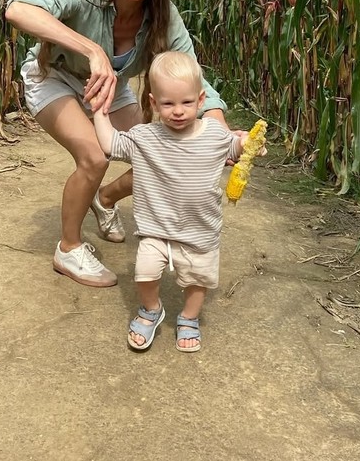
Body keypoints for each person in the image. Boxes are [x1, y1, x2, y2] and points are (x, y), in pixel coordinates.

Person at [4, 0, 231, 288]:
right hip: (55, 76)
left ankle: (105, 199)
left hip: (111, 86)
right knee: (95, 156)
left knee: (164, 150)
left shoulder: (163, 16)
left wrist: (219, 131)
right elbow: (18, 9)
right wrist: (91, 48)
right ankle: (69, 248)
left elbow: (195, 75)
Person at [93, 50, 247, 352]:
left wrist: (248, 144)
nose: (178, 111)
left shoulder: (215, 134)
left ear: (201, 101)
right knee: (145, 273)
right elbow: (111, 144)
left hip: (199, 230)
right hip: (156, 228)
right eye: (168, 103)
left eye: (187, 103)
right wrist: (99, 110)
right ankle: (151, 309)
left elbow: (236, 148)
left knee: (197, 280)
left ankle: (189, 318)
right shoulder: (145, 137)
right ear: (153, 103)